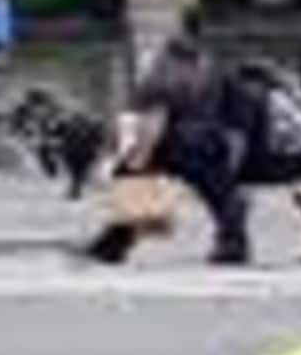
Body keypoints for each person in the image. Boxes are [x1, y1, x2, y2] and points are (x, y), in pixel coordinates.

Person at [82, 34, 252, 266]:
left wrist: (140, 154)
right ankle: (234, 245)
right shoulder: (214, 74)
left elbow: (154, 119)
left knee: (134, 182)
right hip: (211, 140)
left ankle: (115, 242)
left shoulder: (162, 77)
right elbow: (235, 112)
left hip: (175, 141)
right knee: (221, 195)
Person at [237, 59, 301, 264]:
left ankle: (235, 242)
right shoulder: (297, 94)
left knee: (242, 195)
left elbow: (267, 128)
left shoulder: (269, 99)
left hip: (290, 149)